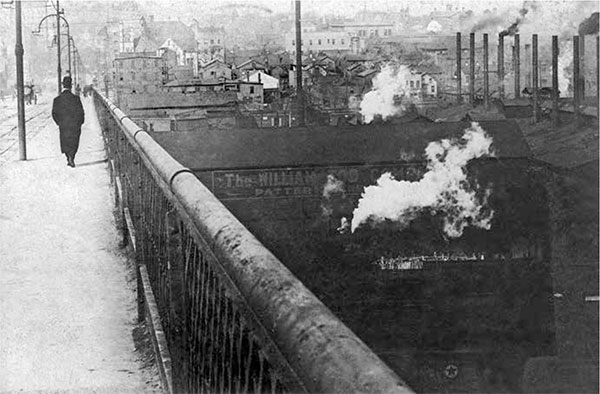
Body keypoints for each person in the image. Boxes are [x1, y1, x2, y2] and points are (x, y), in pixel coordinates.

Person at [52, 76, 84, 167]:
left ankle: (68, 156)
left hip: (64, 125)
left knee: (65, 141)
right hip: (75, 125)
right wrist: (80, 123)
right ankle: (72, 156)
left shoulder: (57, 100)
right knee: (74, 141)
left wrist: (59, 123)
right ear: (71, 85)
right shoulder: (76, 99)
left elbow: (54, 114)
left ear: (63, 85)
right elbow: (81, 112)